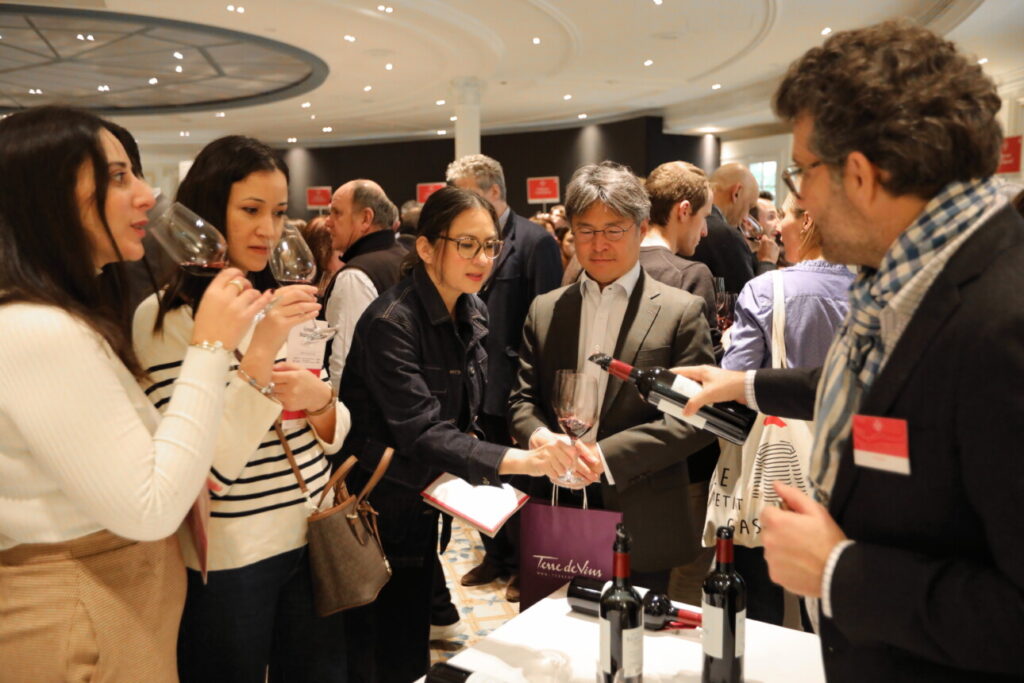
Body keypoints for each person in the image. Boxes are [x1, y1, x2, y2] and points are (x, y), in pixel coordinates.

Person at [674, 21, 1024, 682]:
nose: (798, 199)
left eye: (803, 172)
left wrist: (841, 570)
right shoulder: (913, 276)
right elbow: (883, 386)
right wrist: (741, 385)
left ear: (859, 175)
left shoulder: (1004, 321)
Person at [0, 107, 268, 681]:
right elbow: (151, 506)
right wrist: (211, 348)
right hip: (80, 615)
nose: (147, 195)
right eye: (118, 176)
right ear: (48, 196)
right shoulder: (35, 330)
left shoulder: (59, 319)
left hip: (113, 603)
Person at [338, 186, 595, 682]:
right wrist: (521, 461)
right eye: (467, 245)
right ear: (428, 247)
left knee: (409, 632)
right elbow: (421, 431)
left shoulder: (470, 308)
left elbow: (462, 414)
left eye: (491, 246)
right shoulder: (392, 322)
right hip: (378, 506)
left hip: (425, 497)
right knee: (381, 647)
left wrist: (531, 441)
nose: (482, 259)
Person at [134, 135, 351, 682]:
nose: (268, 230)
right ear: (210, 211)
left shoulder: (272, 301)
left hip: (313, 532)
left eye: (279, 212)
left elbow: (330, 430)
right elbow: (203, 471)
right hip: (232, 555)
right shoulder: (164, 320)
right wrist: (258, 353)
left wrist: (322, 401)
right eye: (250, 210)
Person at [509, 162, 716, 597]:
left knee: (638, 647)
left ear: (641, 229)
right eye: (585, 230)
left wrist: (604, 457)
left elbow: (694, 418)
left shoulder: (680, 310)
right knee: (559, 642)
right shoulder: (546, 309)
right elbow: (522, 402)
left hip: (644, 511)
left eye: (614, 230)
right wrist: (541, 438)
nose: (598, 244)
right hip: (559, 505)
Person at [719, 192, 852, 625]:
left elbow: (734, 381)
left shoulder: (765, 289)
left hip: (774, 469)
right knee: (834, 601)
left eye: (787, 218)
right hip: (849, 468)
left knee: (759, 600)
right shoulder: (873, 290)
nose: (776, 229)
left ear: (810, 220)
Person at [445, 154, 562, 602]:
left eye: (468, 193)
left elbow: (547, 318)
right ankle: (494, 556)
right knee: (482, 477)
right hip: (473, 383)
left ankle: (524, 565)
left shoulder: (535, 241)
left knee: (527, 483)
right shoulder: (463, 242)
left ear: (494, 192)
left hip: (517, 385)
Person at [323, 179, 405, 393]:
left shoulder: (355, 276)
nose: (327, 222)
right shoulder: (406, 259)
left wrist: (335, 418)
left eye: (336, 213)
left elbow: (344, 364)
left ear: (365, 219)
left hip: (363, 416)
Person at [691, 162, 779, 293]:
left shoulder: (690, 224)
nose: (745, 217)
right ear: (736, 193)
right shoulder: (727, 235)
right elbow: (752, 303)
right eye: (749, 206)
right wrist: (767, 262)